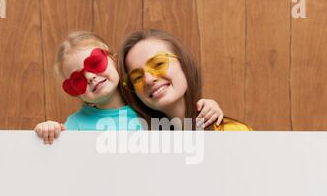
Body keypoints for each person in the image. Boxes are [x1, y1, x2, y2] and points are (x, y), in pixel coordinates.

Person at [35, 31, 224, 144]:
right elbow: (61, 157)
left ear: (114, 59)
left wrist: (208, 106)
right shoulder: (75, 124)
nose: (90, 77)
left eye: (95, 64)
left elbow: (182, 122)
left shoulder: (145, 104)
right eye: (77, 79)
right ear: (73, 90)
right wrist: (49, 129)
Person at [119, 29, 252, 131]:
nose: (148, 79)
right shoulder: (142, 143)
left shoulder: (233, 133)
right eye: (137, 77)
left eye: (159, 64)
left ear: (183, 63)